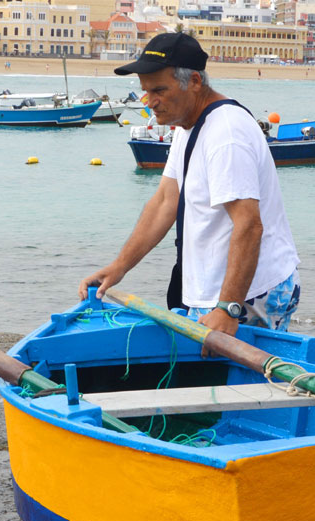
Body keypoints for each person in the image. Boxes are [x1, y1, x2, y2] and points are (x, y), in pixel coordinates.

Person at [78, 33, 300, 338]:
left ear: (194, 81)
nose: (150, 101)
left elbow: (249, 225)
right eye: (144, 91)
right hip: (215, 292)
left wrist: (228, 308)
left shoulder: (226, 134)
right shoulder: (186, 122)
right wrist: (119, 267)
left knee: (242, 384)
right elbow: (165, 202)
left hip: (249, 294)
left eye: (159, 90)